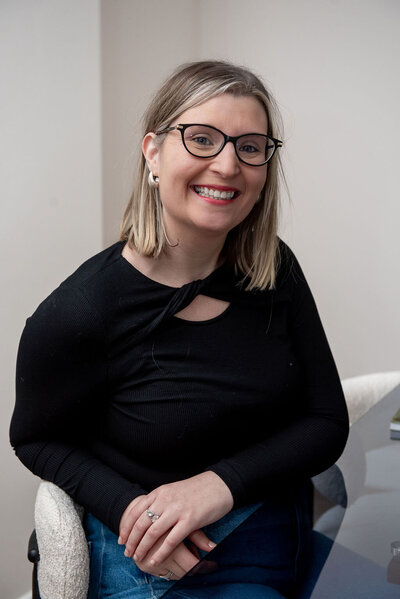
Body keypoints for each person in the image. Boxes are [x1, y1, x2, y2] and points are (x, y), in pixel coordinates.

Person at [10, 60, 349, 599]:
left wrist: (216, 486)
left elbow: (326, 421)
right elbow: (35, 438)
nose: (228, 165)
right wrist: (129, 510)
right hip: (159, 561)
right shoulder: (82, 311)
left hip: (280, 534)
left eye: (250, 147)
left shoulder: (274, 269)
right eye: (202, 139)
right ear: (153, 152)